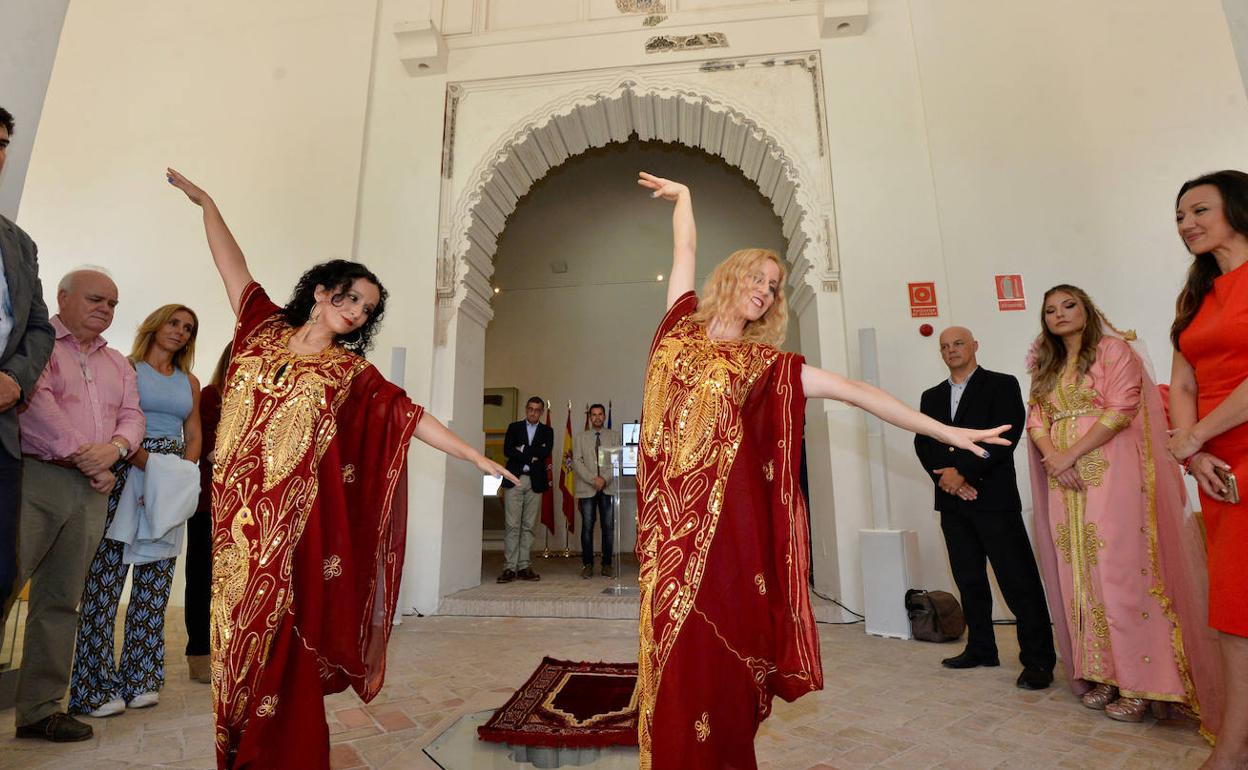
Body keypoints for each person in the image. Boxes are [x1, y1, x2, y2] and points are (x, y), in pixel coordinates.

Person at [634, 172, 1010, 770]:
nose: (764, 290)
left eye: (774, 285)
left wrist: (947, 432)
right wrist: (685, 199)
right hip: (664, 532)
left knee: (715, 645)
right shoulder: (676, 329)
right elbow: (682, 251)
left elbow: (856, 391)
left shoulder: (763, 365)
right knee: (667, 649)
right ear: (730, 278)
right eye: (756, 278)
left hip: (721, 534)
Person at [166, 167, 515, 770]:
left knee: (280, 640)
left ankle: (282, 755)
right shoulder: (258, 329)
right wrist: (208, 204)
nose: (356, 312)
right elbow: (233, 264)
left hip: (294, 526)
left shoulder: (350, 373)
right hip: (232, 523)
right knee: (233, 640)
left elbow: (408, 416)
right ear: (323, 290)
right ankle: (237, 748)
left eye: (367, 309)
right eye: (351, 297)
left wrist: (474, 454)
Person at [1027, 284, 1219, 733]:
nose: (1060, 315)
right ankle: (1105, 674)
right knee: (1081, 575)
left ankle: (1142, 683)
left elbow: (1122, 407)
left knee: (1120, 571)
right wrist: (1053, 456)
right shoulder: (1046, 363)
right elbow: (1036, 414)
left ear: (1087, 308)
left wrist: (1068, 455)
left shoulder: (1113, 351)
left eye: (1068, 305)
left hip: (1110, 472)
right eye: (1050, 310)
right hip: (1063, 480)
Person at [15, 268, 144, 742]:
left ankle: (39, 710)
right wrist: (88, 457)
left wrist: (114, 450)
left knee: (60, 602)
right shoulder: (39, 346)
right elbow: (38, 403)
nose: (106, 310)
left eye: (112, 304)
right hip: (38, 479)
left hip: (91, 491)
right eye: (96, 299)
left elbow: (133, 416)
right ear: (63, 298)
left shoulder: (119, 364)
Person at [68, 304, 202, 717]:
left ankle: (141, 677)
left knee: (155, 580)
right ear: (155, 323)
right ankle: (95, 685)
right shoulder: (123, 367)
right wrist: (142, 460)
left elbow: (193, 432)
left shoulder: (190, 381)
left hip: (169, 478)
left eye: (188, 328)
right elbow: (111, 418)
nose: (180, 332)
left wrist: (181, 472)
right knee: (106, 579)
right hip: (127, 469)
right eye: (174, 323)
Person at [914, 326, 1055, 689]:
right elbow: (923, 442)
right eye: (945, 346)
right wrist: (946, 479)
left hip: (993, 499)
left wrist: (963, 473)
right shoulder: (931, 396)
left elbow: (1006, 434)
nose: (951, 350)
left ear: (975, 346)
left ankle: (1038, 660)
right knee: (969, 578)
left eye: (958, 343)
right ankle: (980, 648)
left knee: (1017, 580)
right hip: (952, 502)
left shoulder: (1001, 384)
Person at [1168, 169, 1248, 768]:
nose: (1186, 224)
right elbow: (1183, 381)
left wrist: (1196, 435)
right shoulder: (1195, 296)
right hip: (1220, 466)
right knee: (1231, 609)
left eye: (1198, 210)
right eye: (1179, 216)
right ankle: (1236, 741)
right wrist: (1194, 456)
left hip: (1231, 441)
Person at [0, 105, 56, 625]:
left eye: (0, 143)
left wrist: (15, 378)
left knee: (2, 571)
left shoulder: (19, 243)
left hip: (1, 428)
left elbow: (39, 327)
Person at [185, 343, 230, 684]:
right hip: (209, 501)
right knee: (201, 578)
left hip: (249, 506)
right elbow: (211, 451)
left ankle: (233, 650)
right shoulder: (213, 394)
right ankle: (199, 652)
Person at [499, 396, 553, 583]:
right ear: (525, 409)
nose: (533, 412)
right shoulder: (514, 427)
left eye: (537, 410)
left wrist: (522, 450)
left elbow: (545, 453)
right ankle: (509, 568)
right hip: (515, 480)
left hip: (535, 482)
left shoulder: (547, 431)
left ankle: (523, 566)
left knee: (529, 526)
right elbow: (507, 450)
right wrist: (532, 454)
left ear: (542, 412)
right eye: (530, 409)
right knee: (512, 525)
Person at [573, 403, 620, 578]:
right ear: (589, 417)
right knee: (587, 527)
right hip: (587, 488)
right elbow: (577, 461)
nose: (597, 417)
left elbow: (616, 460)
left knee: (608, 527)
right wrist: (593, 479)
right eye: (594, 415)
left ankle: (607, 564)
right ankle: (588, 564)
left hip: (607, 488)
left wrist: (604, 479)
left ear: (604, 417)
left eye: (600, 414)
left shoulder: (614, 436)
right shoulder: (580, 437)